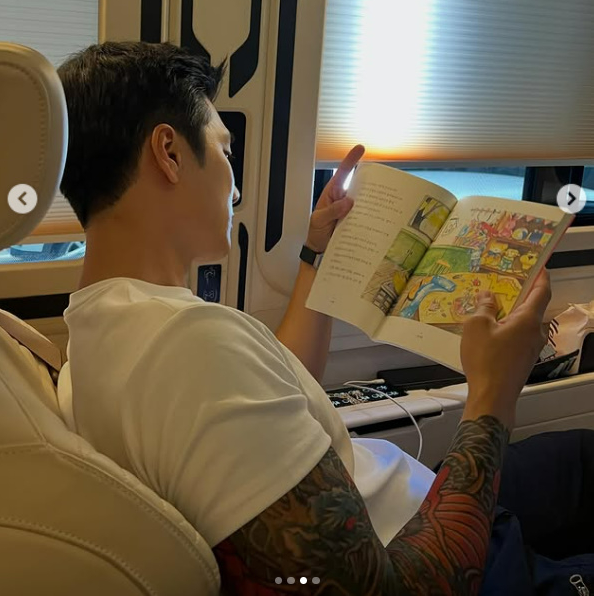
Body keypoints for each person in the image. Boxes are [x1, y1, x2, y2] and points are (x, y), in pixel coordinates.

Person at [57, 42, 594, 595]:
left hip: (407, 499)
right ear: (169, 152)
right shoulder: (184, 343)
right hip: (451, 556)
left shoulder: (97, 332)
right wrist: (493, 394)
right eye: (224, 151)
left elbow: (283, 387)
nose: (235, 187)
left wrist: (316, 254)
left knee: (582, 455)